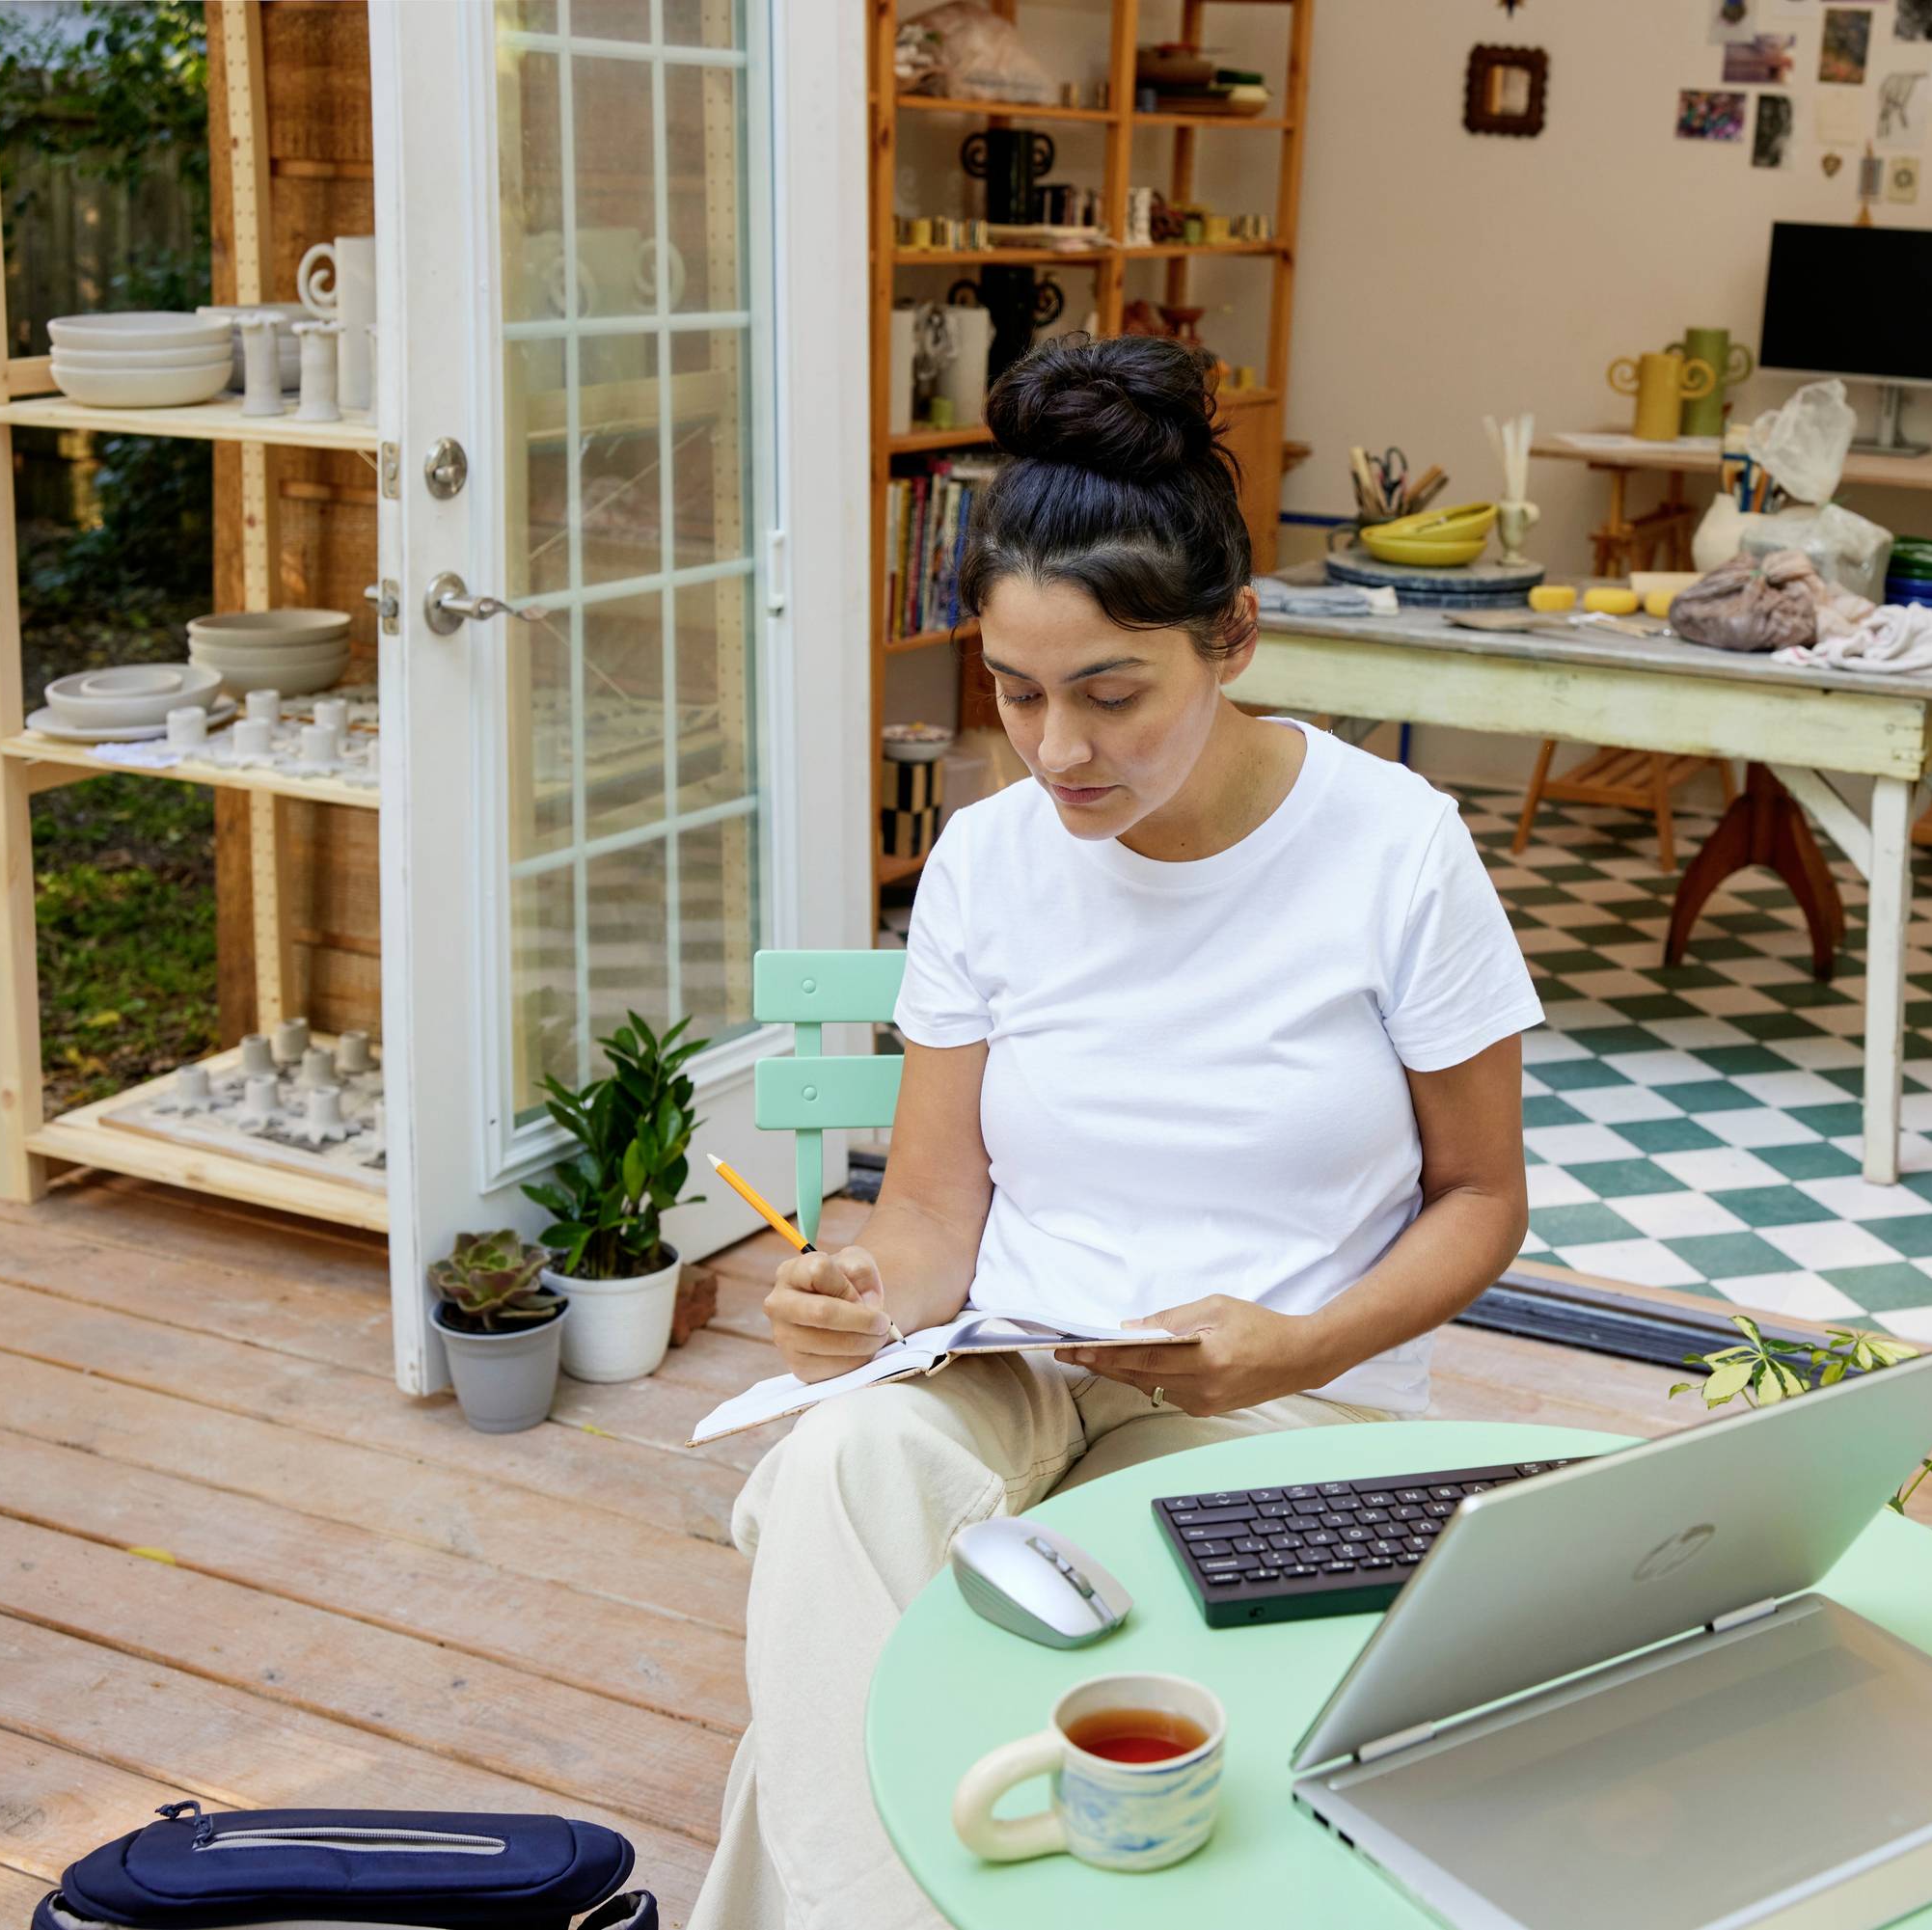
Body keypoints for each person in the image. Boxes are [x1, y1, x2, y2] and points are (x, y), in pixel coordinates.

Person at [689, 333, 1544, 1930]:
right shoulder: (988, 858)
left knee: (820, 1723)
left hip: (1275, 1409)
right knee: (844, 1460)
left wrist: (1299, 1344)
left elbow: (1484, 1196)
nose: (1058, 750)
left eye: (1109, 693)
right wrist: (861, 1295)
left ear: (1233, 637)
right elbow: (934, 1208)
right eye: (1015, 692)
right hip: (1015, 1371)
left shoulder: (1396, 853)